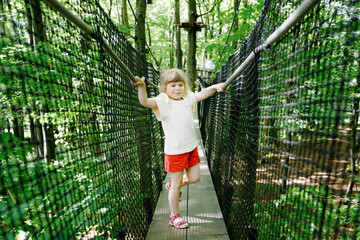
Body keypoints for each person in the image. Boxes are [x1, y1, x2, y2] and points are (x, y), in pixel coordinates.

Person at [132, 68, 225, 229]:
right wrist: (142, 86)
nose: (177, 89)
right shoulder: (162, 101)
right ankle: (174, 215)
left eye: (180, 85)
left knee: (195, 178)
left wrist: (215, 86)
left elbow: (201, 95)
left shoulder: (187, 98)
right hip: (175, 151)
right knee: (176, 183)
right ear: (164, 88)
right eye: (173, 85)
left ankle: (175, 186)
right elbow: (145, 102)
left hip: (191, 147)